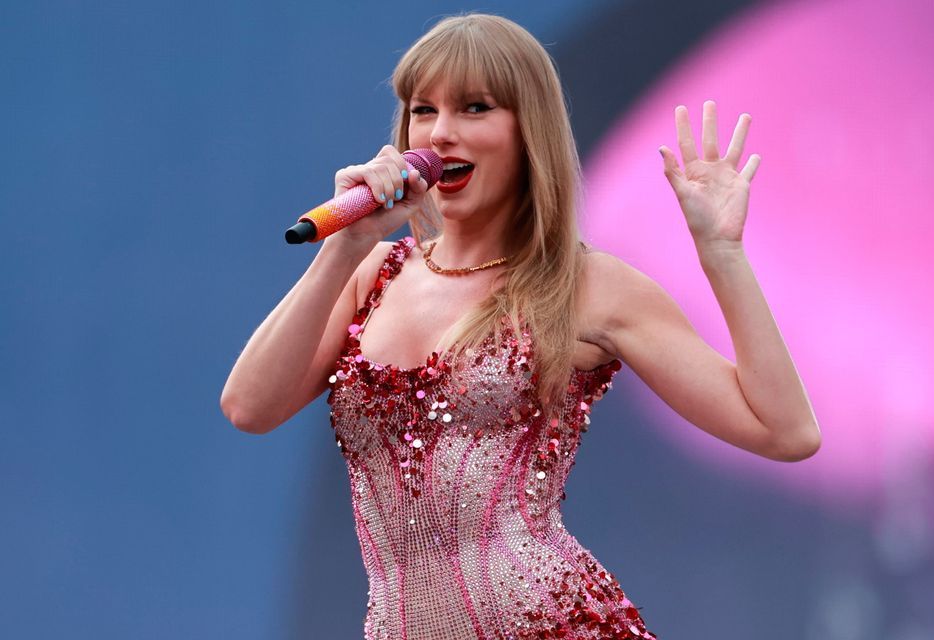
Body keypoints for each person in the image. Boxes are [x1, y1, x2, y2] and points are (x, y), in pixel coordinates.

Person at [221, 12, 820, 639]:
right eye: (424, 110)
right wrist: (345, 246)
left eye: (475, 108)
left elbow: (784, 431)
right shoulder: (370, 273)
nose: (442, 132)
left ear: (526, 131)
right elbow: (249, 407)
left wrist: (722, 256)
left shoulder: (587, 285)